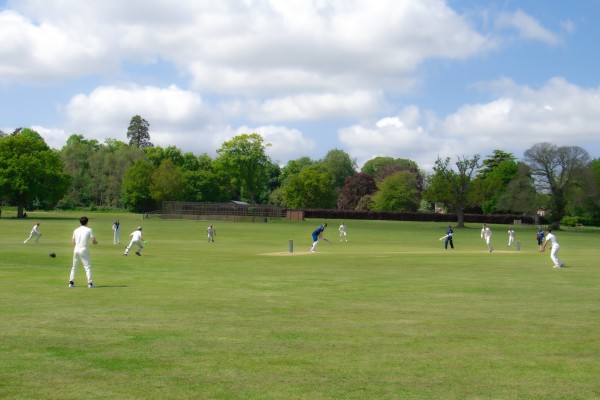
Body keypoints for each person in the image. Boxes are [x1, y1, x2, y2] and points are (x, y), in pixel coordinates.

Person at [69, 216, 98, 288]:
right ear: (87, 222)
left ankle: (71, 282)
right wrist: (96, 242)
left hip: (76, 249)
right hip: (84, 249)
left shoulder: (76, 230)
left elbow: (73, 242)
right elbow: (93, 241)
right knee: (87, 267)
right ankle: (90, 283)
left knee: (74, 267)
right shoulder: (89, 230)